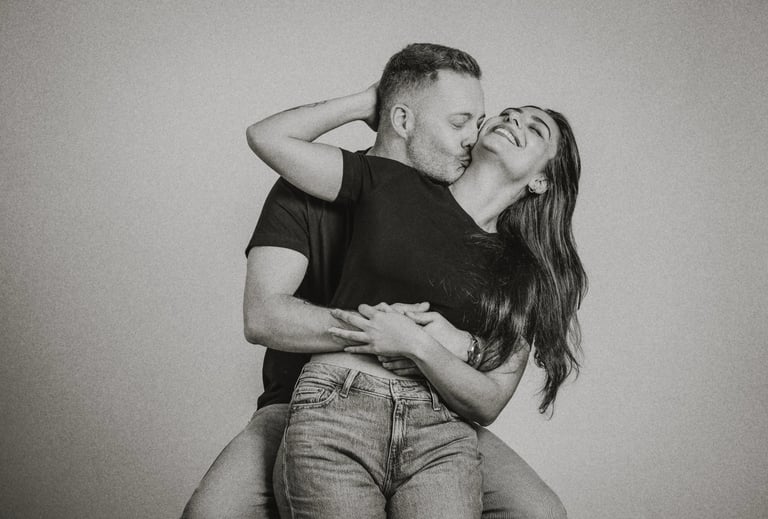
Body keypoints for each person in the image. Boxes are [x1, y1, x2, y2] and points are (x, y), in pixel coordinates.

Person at [181, 43, 573, 519]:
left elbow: (490, 381)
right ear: (403, 119)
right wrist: (388, 332)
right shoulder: (322, 184)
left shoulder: (503, 250)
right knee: (211, 513)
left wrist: (453, 347)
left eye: (478, 121)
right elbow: (263, 317)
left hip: (431, 414)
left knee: (538, 511)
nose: (473, 137)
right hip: (307, 398)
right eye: (459, 123)